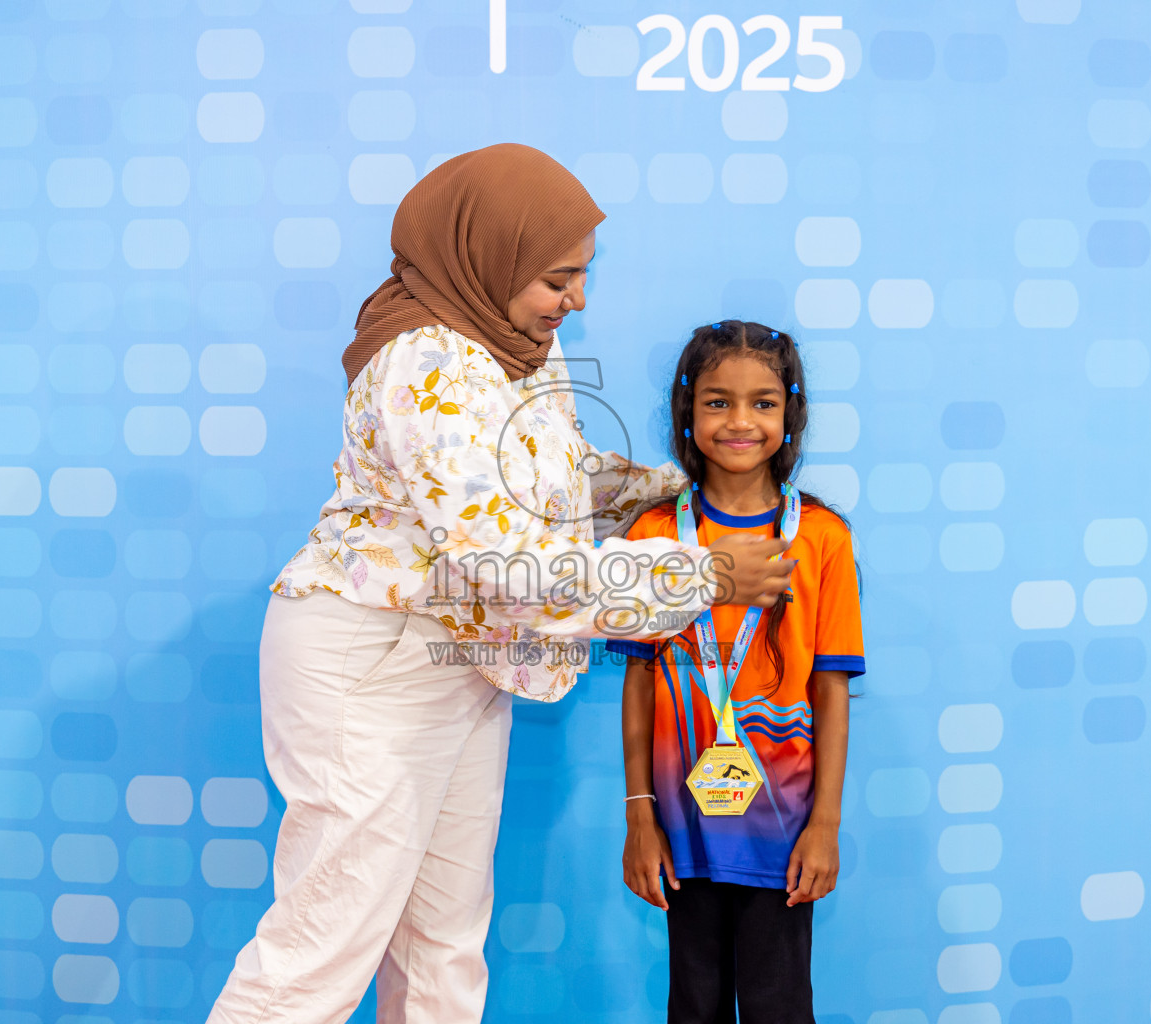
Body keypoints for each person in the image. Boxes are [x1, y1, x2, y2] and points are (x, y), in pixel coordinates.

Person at [206, 147, 796, 1024]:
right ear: (491, 256)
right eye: (560, 277)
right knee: (321, 947)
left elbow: (543, 484)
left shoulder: (515, 346)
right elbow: (502, 556)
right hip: (372, 665)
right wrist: (702, 570)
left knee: (444, 944)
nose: (578, 299)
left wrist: (666, 491)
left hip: (464, 665)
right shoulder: (428, 361)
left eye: (584, 275)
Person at [610, 321, 866, 1024]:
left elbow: (832, 689)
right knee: (692, 1008)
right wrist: (640, 816)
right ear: (688, 413)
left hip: (781, 833)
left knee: (778, 1007)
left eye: (763, 402)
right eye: (718, 402)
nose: (741, 421)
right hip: (681, 829)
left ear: (791, 414)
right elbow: (638, 683)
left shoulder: (820, 537)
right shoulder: (653, 537)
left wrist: (825, 825)